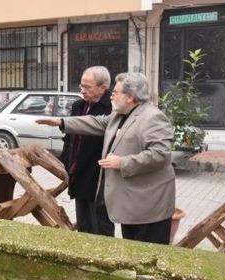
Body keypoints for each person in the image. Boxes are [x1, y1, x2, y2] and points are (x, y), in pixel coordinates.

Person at [37, 73, 176, 244]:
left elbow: (161, 154)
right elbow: (96, 122)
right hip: (132, 205)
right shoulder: (120, 114)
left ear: (130, 97)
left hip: (149, 206)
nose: (112, 95)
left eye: (116, 92)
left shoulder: (152, 118)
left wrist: (122, 162)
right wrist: (60, 122)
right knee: (132, 251)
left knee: (149, 256)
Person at [60, 66, 114, 237]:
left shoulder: (111, 109)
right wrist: (67, 161)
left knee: (101, 226)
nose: (82, 90)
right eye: (81, 86)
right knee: (83, 225)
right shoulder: (78, 106)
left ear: (102, 87)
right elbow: (69, 138)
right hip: (79, 174)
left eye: (87, 87)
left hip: (99, 177)